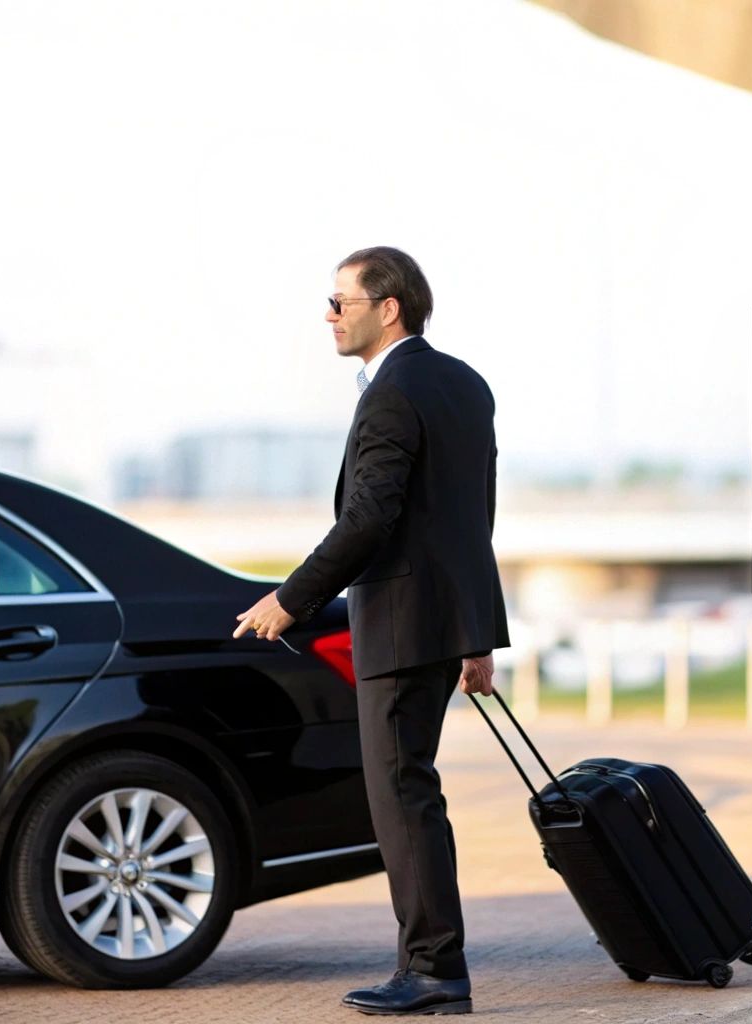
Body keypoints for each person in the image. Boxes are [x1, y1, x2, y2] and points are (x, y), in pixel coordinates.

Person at [233, 245, 508, 1016]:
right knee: (413, 788)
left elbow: (370, 516)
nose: (328, 316)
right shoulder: (463, 383)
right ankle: (429, 962)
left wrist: (291, 599)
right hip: (441, 619)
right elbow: (469, 516)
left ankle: (432, 969)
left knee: (401, 794)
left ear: (388, 307)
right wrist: (473, 634)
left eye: (339, 302)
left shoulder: (392, 393)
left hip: (397, 618)